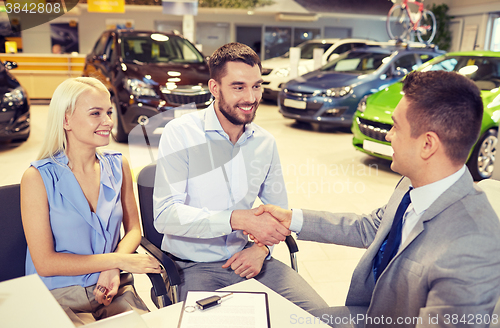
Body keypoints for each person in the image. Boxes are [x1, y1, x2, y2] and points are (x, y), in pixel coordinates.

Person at [255, 70, 500, 327]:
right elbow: (373, 227)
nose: (388, 134)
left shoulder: (473, 246)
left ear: (428, 145)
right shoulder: (413, 182)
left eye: (396, 126)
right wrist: (292, 219)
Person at [152, 42, 327, 311]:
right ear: (214, 88)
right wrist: (235, 219)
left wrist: (261, 250)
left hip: (250, 258)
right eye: (238, 87)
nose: (250, 97)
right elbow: (165, 216)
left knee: (321, 316)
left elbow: (278, 213)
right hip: (193, 267)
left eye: (256, 86)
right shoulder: (181, 133)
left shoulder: (265, 143)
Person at [21, 77, 161, 326]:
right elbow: (45, 262)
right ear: (65, 120)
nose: (107, 121)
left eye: (108, 112)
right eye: (95, 113)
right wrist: (118, 260)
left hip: (113, 287)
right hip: (59, 295)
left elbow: (133, 231)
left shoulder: (119, 165)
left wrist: (112, 269)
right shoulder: (37, 178)